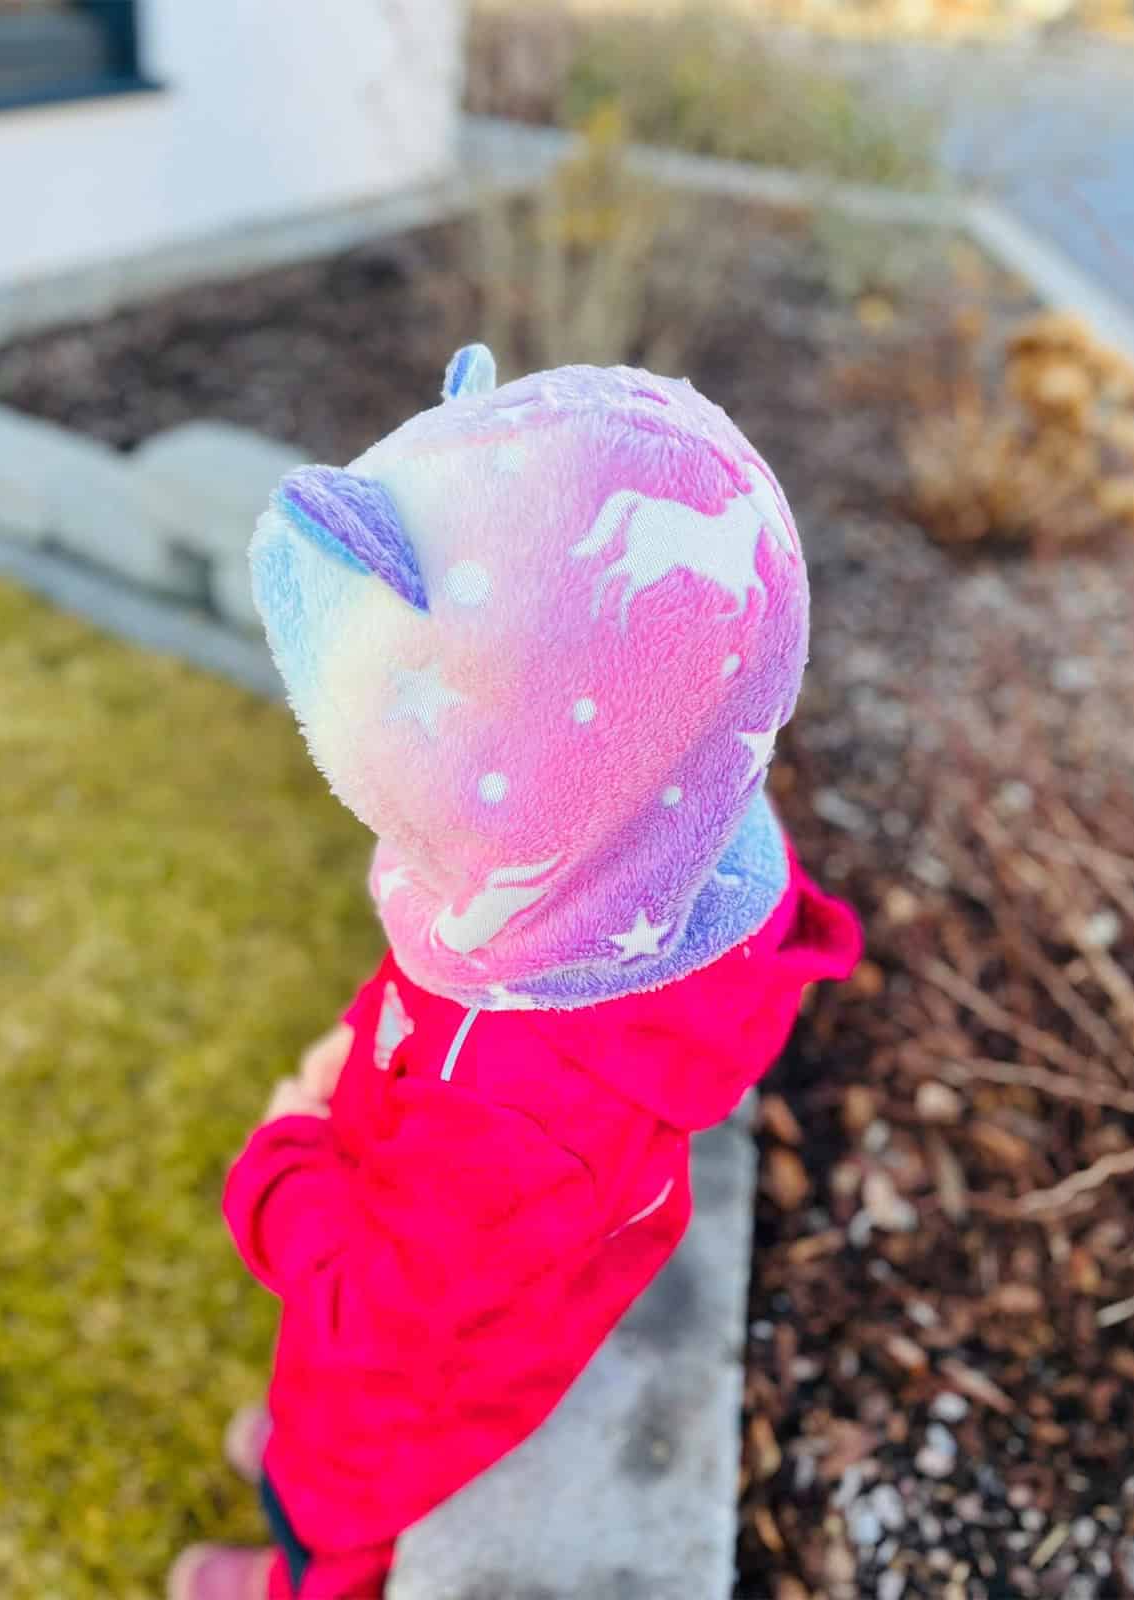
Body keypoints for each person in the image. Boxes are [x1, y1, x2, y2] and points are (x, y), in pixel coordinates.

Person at [169, 349, 860, 1600]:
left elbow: (387, 1311)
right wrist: (365, 1038)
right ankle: (290, 1455)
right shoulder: (634, 872)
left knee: (344, 1500)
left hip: (414, 1395)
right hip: (468, 1258)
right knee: (314, 1419)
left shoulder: (512, 1093)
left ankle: (295, 1567)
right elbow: (429, 1016)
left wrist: (279, 1161)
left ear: (523, 767)